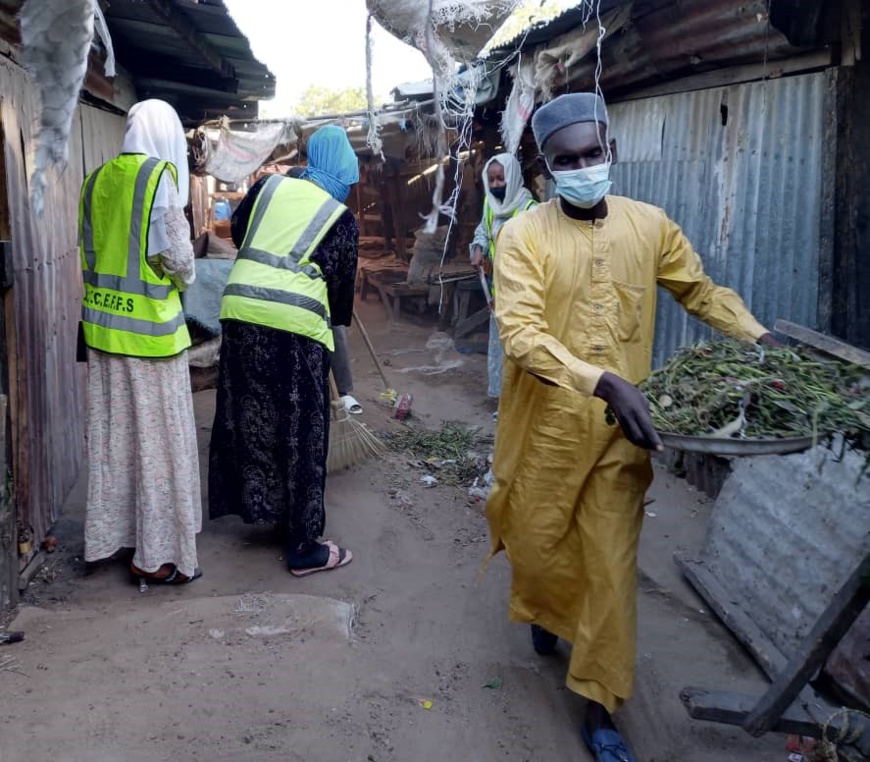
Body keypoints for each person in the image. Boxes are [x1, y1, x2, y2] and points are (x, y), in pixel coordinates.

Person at [485, 92, 780, 762]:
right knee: (535, 541)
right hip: (546, 433)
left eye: (593, 153)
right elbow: (523, 335)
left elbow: (699, 290)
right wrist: (600, 381)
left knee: (611, 572)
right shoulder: (522, 235)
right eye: (568, 159)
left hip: (625, 435)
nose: (584, 166)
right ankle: (544, 610)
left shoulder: (650, 225)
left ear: (611, 151)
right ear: (547, 169)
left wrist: (758, 336)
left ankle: (598, 705)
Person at [209, 125, 359, 576]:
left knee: (252, 419)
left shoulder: (267, 186)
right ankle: (302, 545)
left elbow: (238, 233)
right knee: (303, 433)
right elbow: (340, 303)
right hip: (295, 331)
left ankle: (265, 509)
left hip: (239, 316)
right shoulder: (340, 217)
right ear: (343, 172)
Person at [79, 99, 202, 586]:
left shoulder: (95, 180)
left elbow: (91, 254)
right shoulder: (160, 179)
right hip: (151, 340)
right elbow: (181, 265)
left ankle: (113, 538)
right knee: (158, 447)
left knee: (115, 442)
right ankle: (156, 555)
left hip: (103, 332)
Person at [286, 165, 361, 415]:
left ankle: (345, 391)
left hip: (320, 284)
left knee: (335, 330)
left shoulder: (324, 211)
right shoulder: (286, 214)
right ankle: (310, 396)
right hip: (291, 292)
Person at [469, 153, 537, 401]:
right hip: (496, 293)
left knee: (521, 350)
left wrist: (510, 296)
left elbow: (535, 262)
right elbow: (483, 231)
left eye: (501, 179)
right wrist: (478, 248)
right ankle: (503, 400)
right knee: (500, 349)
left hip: (522, 298)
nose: (496, 185)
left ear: (513, 177)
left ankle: (522, 403)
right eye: (492, 180)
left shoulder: (530, 211)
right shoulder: (491, 205)